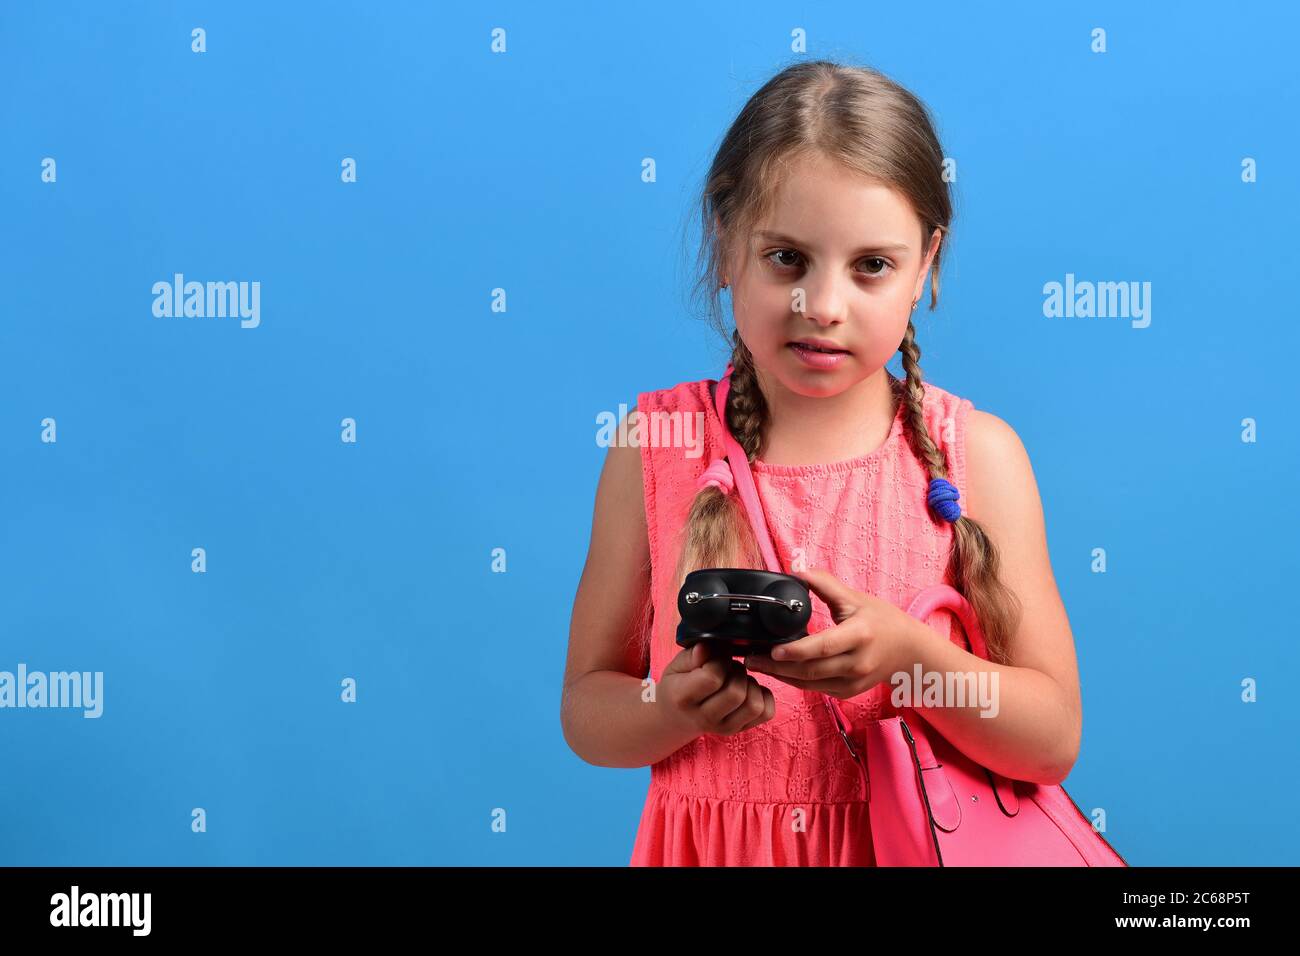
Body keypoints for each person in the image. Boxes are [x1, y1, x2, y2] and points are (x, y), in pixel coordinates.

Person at [561, 59, 1084, 866]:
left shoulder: (978, 455)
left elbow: (1049, 740)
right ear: (725, 245)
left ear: (926, 265)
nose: (823, 306)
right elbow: (588, 710)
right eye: (786, 260)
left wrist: (913, 660)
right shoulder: (655, 443)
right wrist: (670, 707)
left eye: (871, 264)